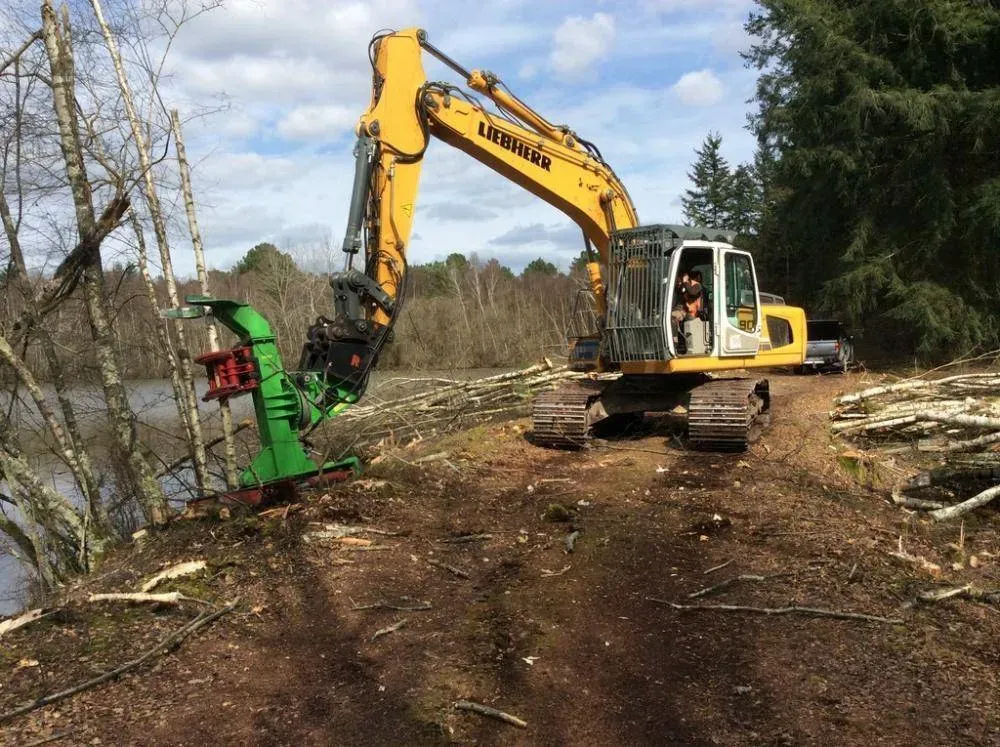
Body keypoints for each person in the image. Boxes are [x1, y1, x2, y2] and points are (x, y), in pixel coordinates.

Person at [671, 270, 704, 335]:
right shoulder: (685, 285)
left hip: (693, 313)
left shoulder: (697, 285)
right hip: (685, 310)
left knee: (691, 330)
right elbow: (680, 293)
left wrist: (685, 282)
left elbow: (692, 292)